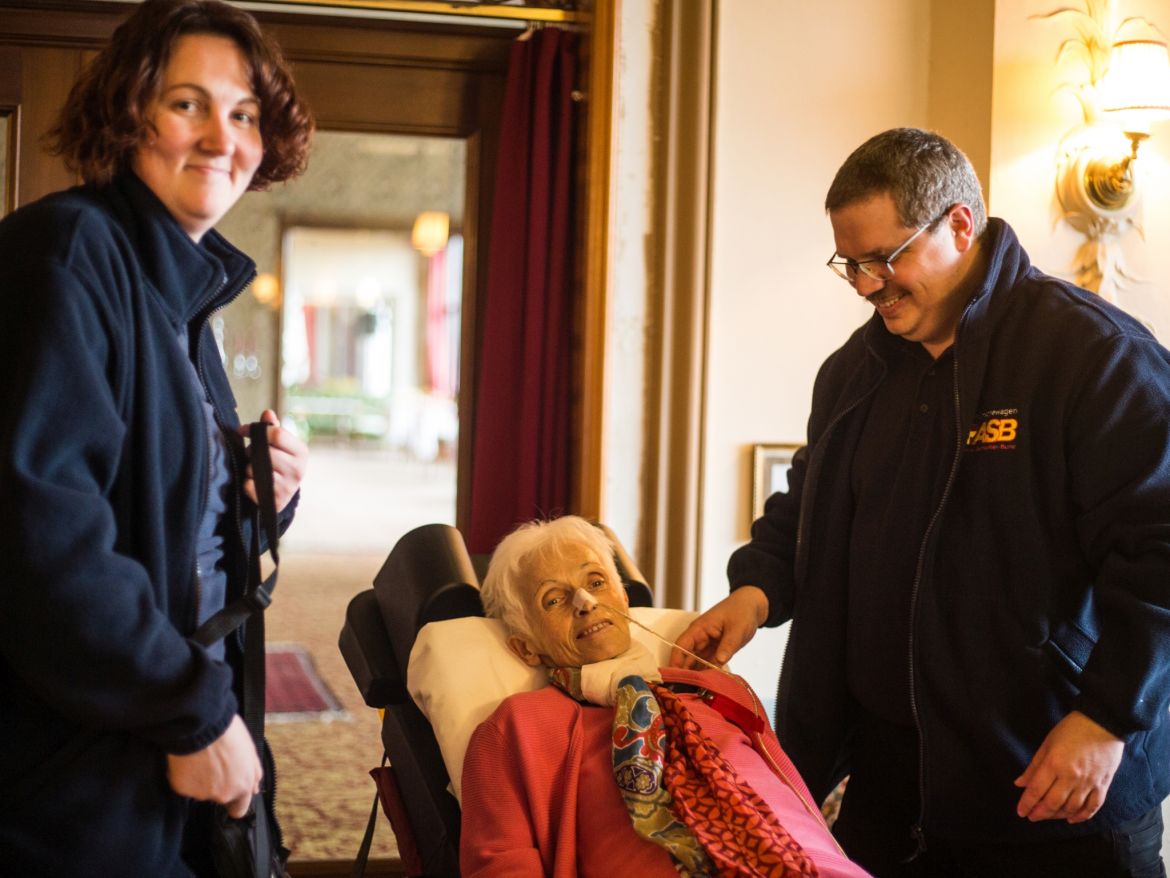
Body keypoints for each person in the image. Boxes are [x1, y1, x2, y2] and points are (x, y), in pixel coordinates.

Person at [672, 127, 1170, 877]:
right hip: (886, 794)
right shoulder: (852, 372)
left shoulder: (1093, 355)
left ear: (959, 226)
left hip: (1053, 794)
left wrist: (1107, 719)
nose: (868, 286)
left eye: (885, 258)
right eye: (851, 264)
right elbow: (810, 501)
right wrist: (756, 590)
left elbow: (1160, 553)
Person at [0, 1, 313, 874]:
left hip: (153, 732)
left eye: (245, 113)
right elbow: (41, 540)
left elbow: (165, 515)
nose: (223, 136)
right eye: (189, 104)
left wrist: (259, 498)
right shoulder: (68, 254)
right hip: (77, 766)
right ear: (129, 110)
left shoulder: (178, 292)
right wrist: (195, 712)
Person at [461, 515, 872, 877]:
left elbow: (797, 797)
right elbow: (501, 863)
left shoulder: (716, 691)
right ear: (525, 648)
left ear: (623, 597)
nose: (585, 603)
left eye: (596, 582)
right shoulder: (515, 727)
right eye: (553, 599)